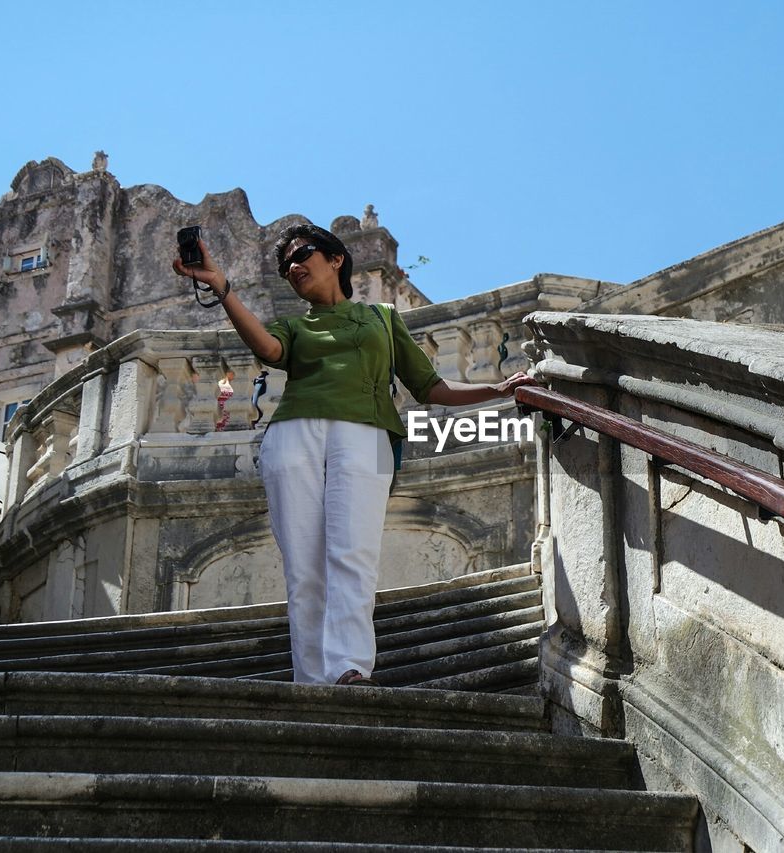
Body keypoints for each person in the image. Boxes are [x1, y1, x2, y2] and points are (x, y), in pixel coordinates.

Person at [173, 223, 534, 686]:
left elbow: (431, 387)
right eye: (285, 266)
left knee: (354, 555)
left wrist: (498, 388)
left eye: (302, 254)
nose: (293, 267)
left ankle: (348, 670)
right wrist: (221, 287)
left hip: (369, 435)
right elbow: (266, 347)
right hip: (293, 435)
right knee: (304, 569)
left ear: (336, 258)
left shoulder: (382, 317)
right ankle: (311, 680)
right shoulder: (295, 325)